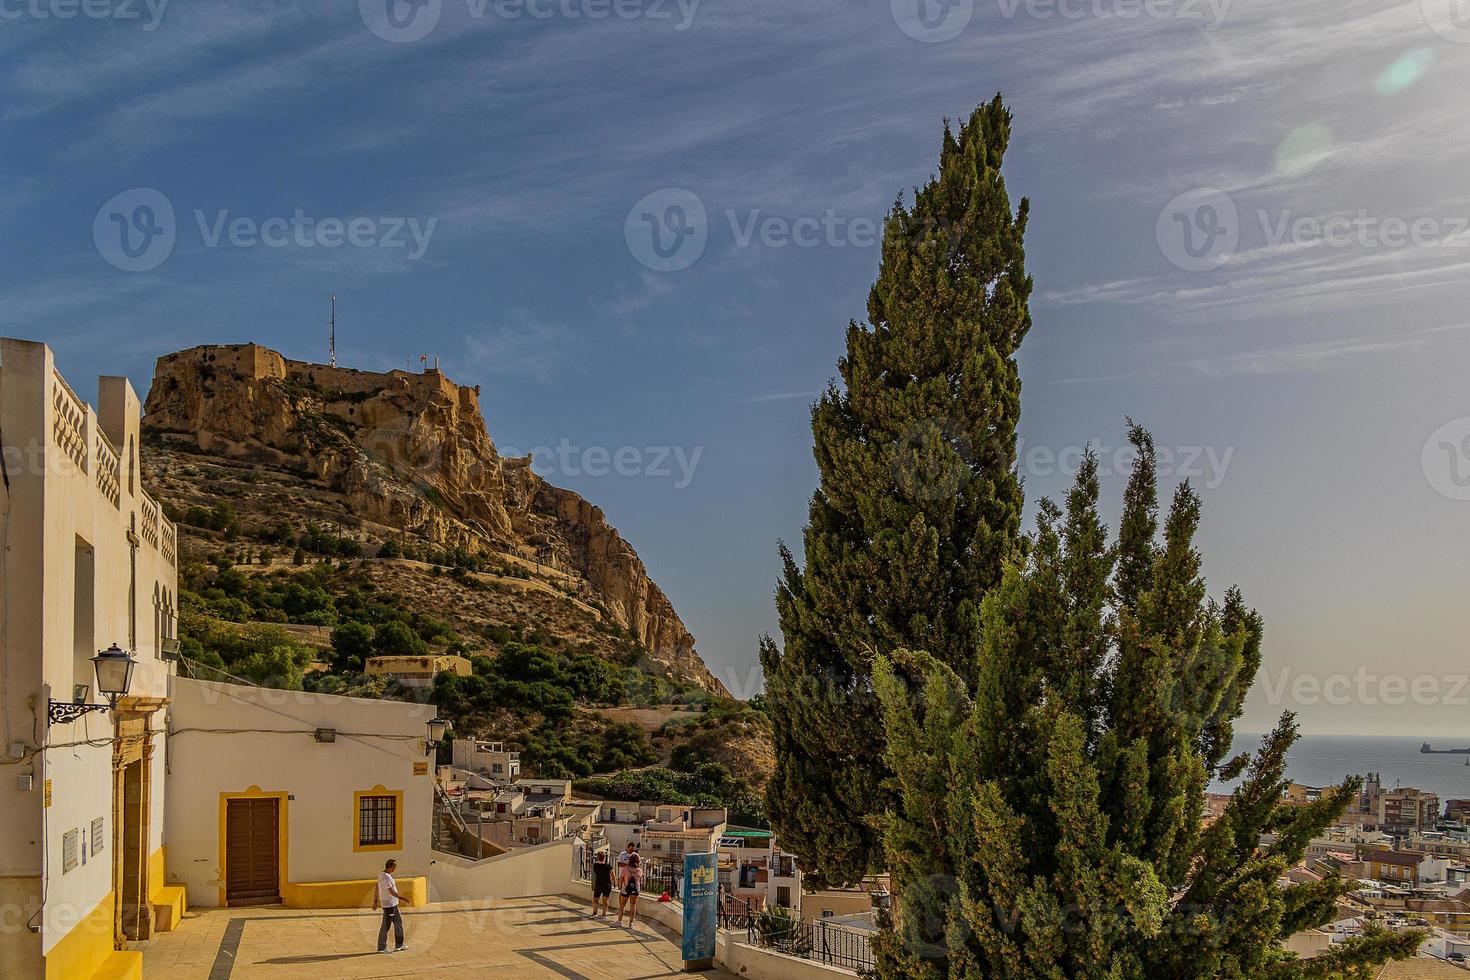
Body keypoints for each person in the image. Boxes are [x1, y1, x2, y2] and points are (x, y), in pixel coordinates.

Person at [373, 858, 407, 953]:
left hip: (393, 905)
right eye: (395, 866)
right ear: (391, 867)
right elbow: (391, 892)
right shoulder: (386, 877)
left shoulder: (381, 875)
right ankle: (381, 947)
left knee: (398, 923)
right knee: (385, 926)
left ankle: (399, 945)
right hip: (389, 906)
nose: (396, 868)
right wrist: (403, 898)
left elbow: (376, 888)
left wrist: (375, 901)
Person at [616, 848, 643, 928]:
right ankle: (631, 923)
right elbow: (639, 879)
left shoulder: (625, 869)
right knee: (633, 905)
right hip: (635, 889)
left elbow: (621, 879)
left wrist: (620, 887)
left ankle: (619, 921)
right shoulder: (639, 870)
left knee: (622, 906)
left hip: (625, 889)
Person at [590, 850, 613, 918]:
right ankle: (604, 914)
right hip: (607, 884)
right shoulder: (608, 866)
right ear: (604, 858)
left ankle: (594, 913)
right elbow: (612, 874)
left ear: (598, 857)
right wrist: (614, 881)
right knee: (605, 900)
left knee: (595, 899)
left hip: (598, 884)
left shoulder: (595, 865)